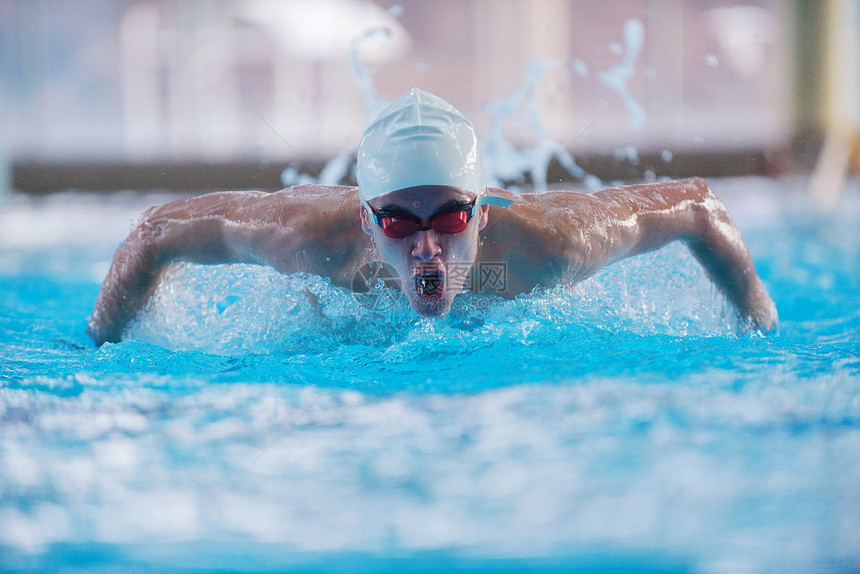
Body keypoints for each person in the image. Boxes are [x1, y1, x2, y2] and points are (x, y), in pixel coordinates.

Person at [86, 88, 777, 346]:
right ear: (364, 222)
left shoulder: (555, 244)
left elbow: (697, 203)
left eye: (448, 218)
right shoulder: (303, 238)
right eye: (397, 223)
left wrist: (761, 329)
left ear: (483, 217)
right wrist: (99, 347)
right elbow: (154, 231)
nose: (425, 247)